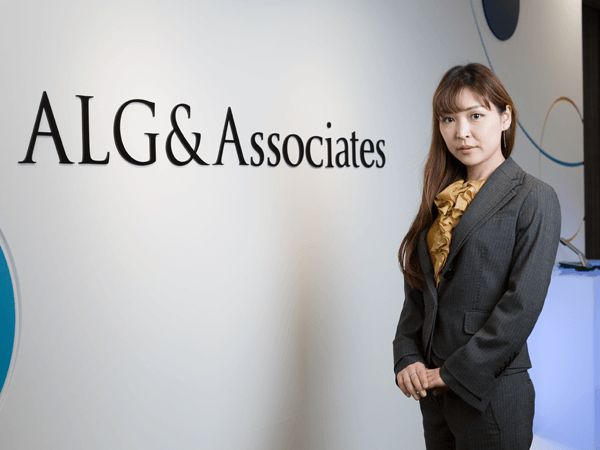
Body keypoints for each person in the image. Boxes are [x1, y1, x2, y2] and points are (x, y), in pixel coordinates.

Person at [392, 63, 561, 449]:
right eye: (448, 119)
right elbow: (419, 295)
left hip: (492, 395)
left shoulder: (534, 197)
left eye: (475, 116)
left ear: (505, 118)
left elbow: (521, 306)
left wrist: (450, 373)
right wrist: (407, 357)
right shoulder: (440, 199)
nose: (461, 132)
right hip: (435, 399)